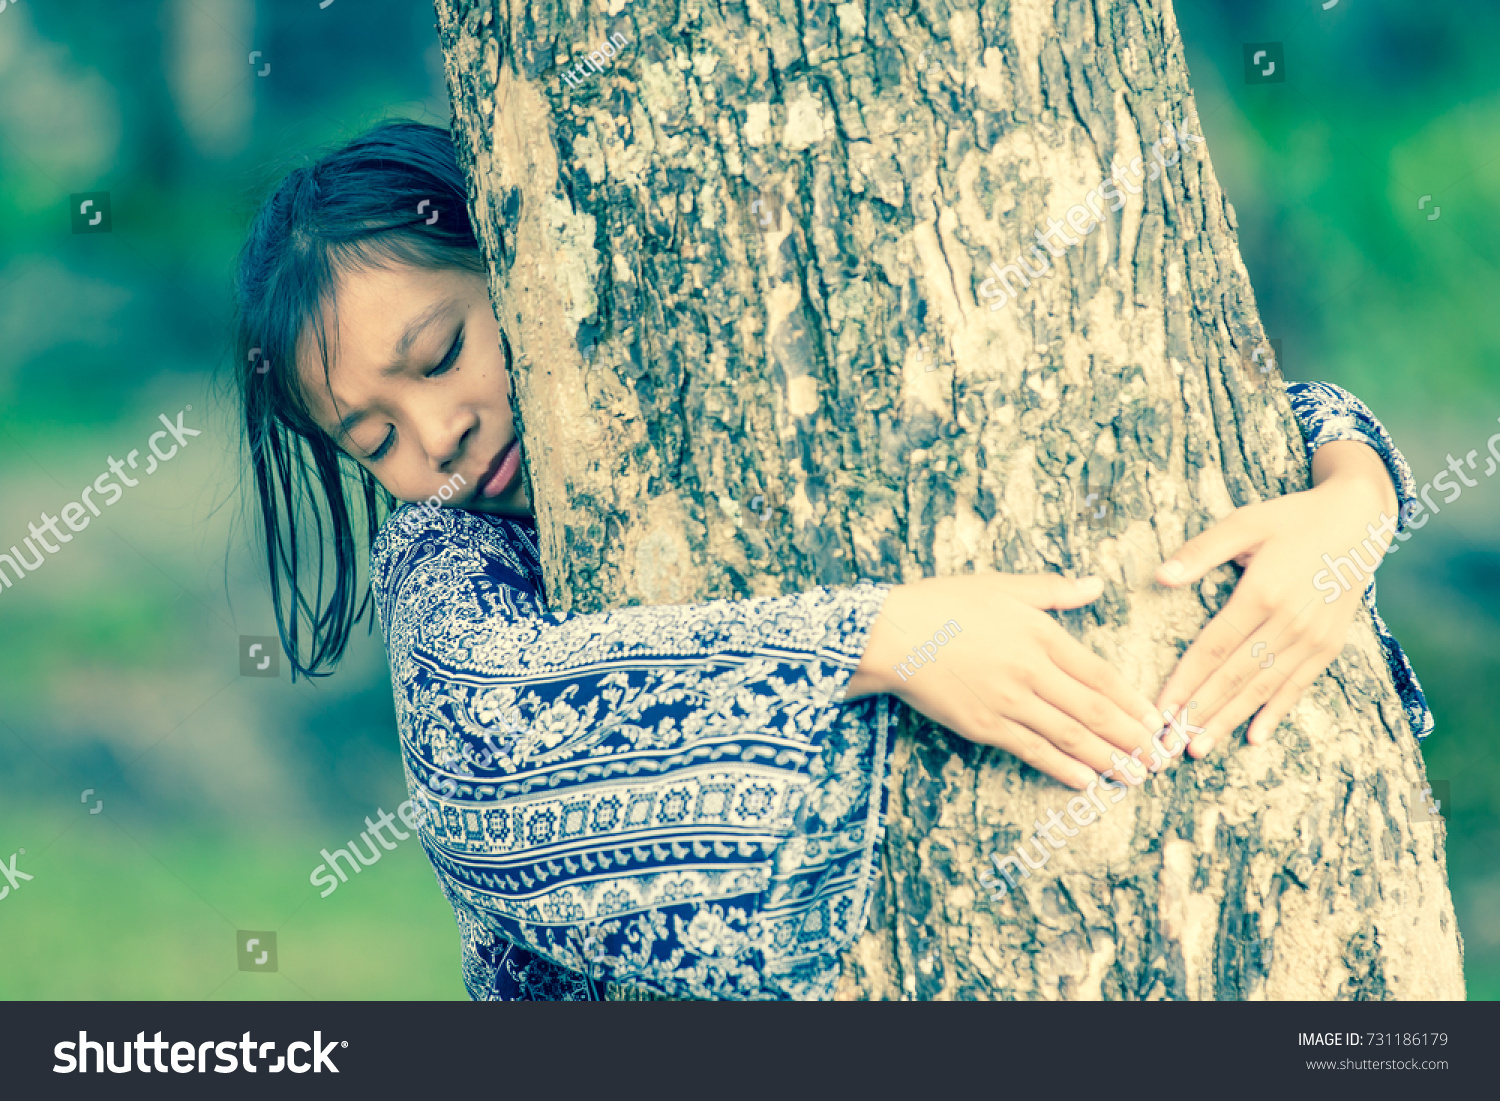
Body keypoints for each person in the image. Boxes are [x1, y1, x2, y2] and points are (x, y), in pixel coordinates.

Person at [228, 119, 1432, 999]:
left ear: (524, 264)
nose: (435, 438)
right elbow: (484, 769)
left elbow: (1153, 418)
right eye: (371, 437)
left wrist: (1352, 500)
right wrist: (879, 638)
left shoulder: (708, 366)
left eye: (438, 356)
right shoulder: (447, 555)